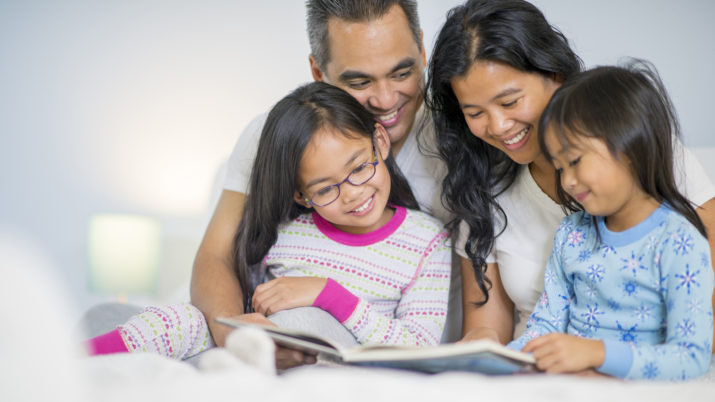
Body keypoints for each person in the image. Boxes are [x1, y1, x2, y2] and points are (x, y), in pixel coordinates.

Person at [86, 82, 451, 361]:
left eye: (359, 167)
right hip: (264, 352)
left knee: (309, 323)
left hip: (338, 359)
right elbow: (247, 310)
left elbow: (417, 347)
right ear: (300, 196)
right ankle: (72, 362)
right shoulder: (288, 235)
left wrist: (329, 294)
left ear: (380, 143)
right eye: (325, 189)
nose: (353, 192)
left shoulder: (427, 242)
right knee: (183, 320)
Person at [425, 0, 715, 348]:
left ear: (554, 75)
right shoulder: (484, 192)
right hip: (535, 372)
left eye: (509, 102)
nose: (498, 126)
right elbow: (488, 329)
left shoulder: (646, 152)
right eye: (475, 112)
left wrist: (608, 362)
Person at [191, 0, 460, 361]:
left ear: (422, 49)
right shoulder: (272, 137)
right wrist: (240, 340)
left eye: (401, 73)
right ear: (318, 72)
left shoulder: (462, 142)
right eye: (359, 81)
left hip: (388, 351)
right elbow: (217, 257)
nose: (384, 100)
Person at [509, 62, 713, 380]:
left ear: (631, 147)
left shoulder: (679, 242)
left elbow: (690, 358)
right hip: (569, 390)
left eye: (575, 160)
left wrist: (597, 353)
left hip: (641, 399)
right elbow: (544, 326)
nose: (567, 182)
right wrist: (505, 358)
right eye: (561, 167)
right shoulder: (571, 235)